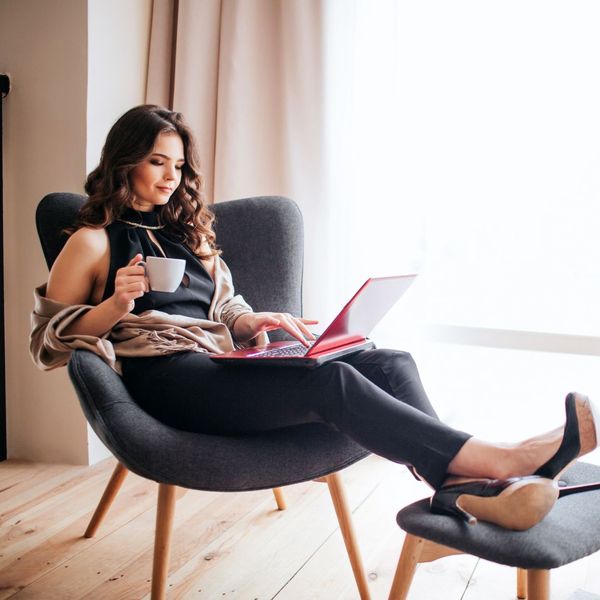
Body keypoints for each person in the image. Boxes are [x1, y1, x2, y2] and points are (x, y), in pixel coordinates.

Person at [30, 105, 600, 531]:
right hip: (167, 382)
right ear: (124, 159)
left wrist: (254, 322)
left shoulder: (189, 233)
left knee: (388, 358)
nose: (171, 176)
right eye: (157, 161)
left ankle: (455, 488)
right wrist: (113, 308)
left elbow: (224, 307)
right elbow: (46, 344)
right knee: (330, 381)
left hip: (218, 364)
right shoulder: (92, 242)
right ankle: (497, 462)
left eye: (178, 164)